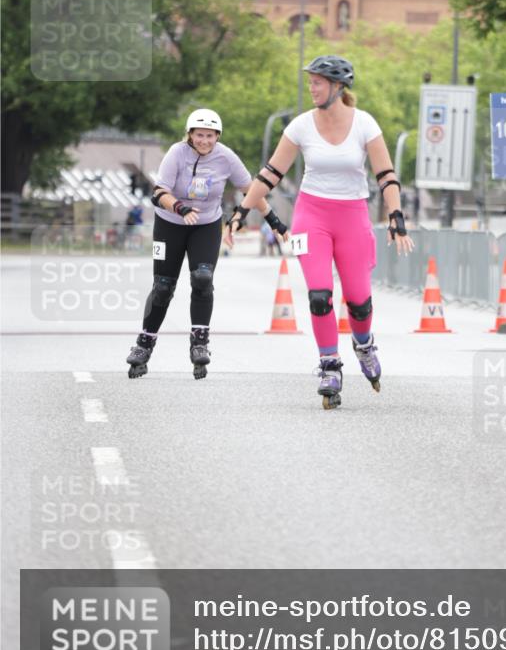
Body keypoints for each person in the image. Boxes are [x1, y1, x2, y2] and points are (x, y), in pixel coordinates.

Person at [224, 55, 414, 409]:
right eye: (310, 82)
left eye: (317, 82)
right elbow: (269, 175)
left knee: (358, 301)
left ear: (338, 87)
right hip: (311, 215)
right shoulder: (300, 126)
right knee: (319, 295)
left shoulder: (365, 124)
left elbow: (386, 175)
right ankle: (329, 364)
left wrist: (396, 216)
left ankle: (364, 343)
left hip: (352, 215)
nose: (311, 88)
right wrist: (241, 212)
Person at [126, 107, 287, 380]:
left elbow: (252, 189)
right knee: (163, 287)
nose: (204, 141)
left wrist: (273, 220)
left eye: (210, 136)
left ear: (217, 136)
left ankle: (200, 341)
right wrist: (180, 208)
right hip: (169, 224)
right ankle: (144, 344)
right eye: (199, 135)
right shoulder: (176, 153)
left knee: (202, 278)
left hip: (207, 225)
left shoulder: (226, 157)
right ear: (189, 135)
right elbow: (158, 192)